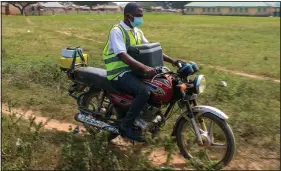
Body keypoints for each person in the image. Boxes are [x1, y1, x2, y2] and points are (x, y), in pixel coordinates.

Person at [103, 2, 182, 141]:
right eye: (138, 15)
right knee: (144, 91)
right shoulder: (117, 30)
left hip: (133, 70)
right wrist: (144, 68)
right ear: (128, 16)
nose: (141, 18)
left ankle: (144, 119)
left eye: (142, 15)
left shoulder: (137, 31)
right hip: (119, 72)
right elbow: (122, 54)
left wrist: (173, 61)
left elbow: (152, 50)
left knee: (159, 84)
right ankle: (126, 127)